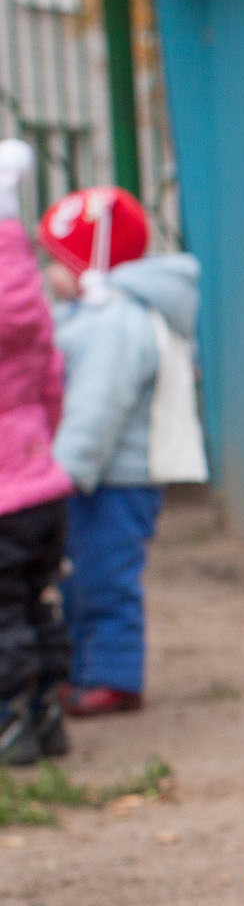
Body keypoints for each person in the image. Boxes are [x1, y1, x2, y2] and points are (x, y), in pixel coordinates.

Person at [38, 184, 202, 717]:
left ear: (94, 261)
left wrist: (63, 473)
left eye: (59, 260)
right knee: (80, 577)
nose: (48, 272)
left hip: (113, 478)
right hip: (96, 475)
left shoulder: (114, 322)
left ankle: (112, 677)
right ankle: (84, 672)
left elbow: (96, 409)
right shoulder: (93, 313)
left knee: (104, 577)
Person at [0, 139, 71, 763]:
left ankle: (10, 722)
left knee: (2, 614)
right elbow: (52, 387)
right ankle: (47, 713)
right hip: (42, 487)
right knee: (37, 601)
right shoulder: (35, 309)